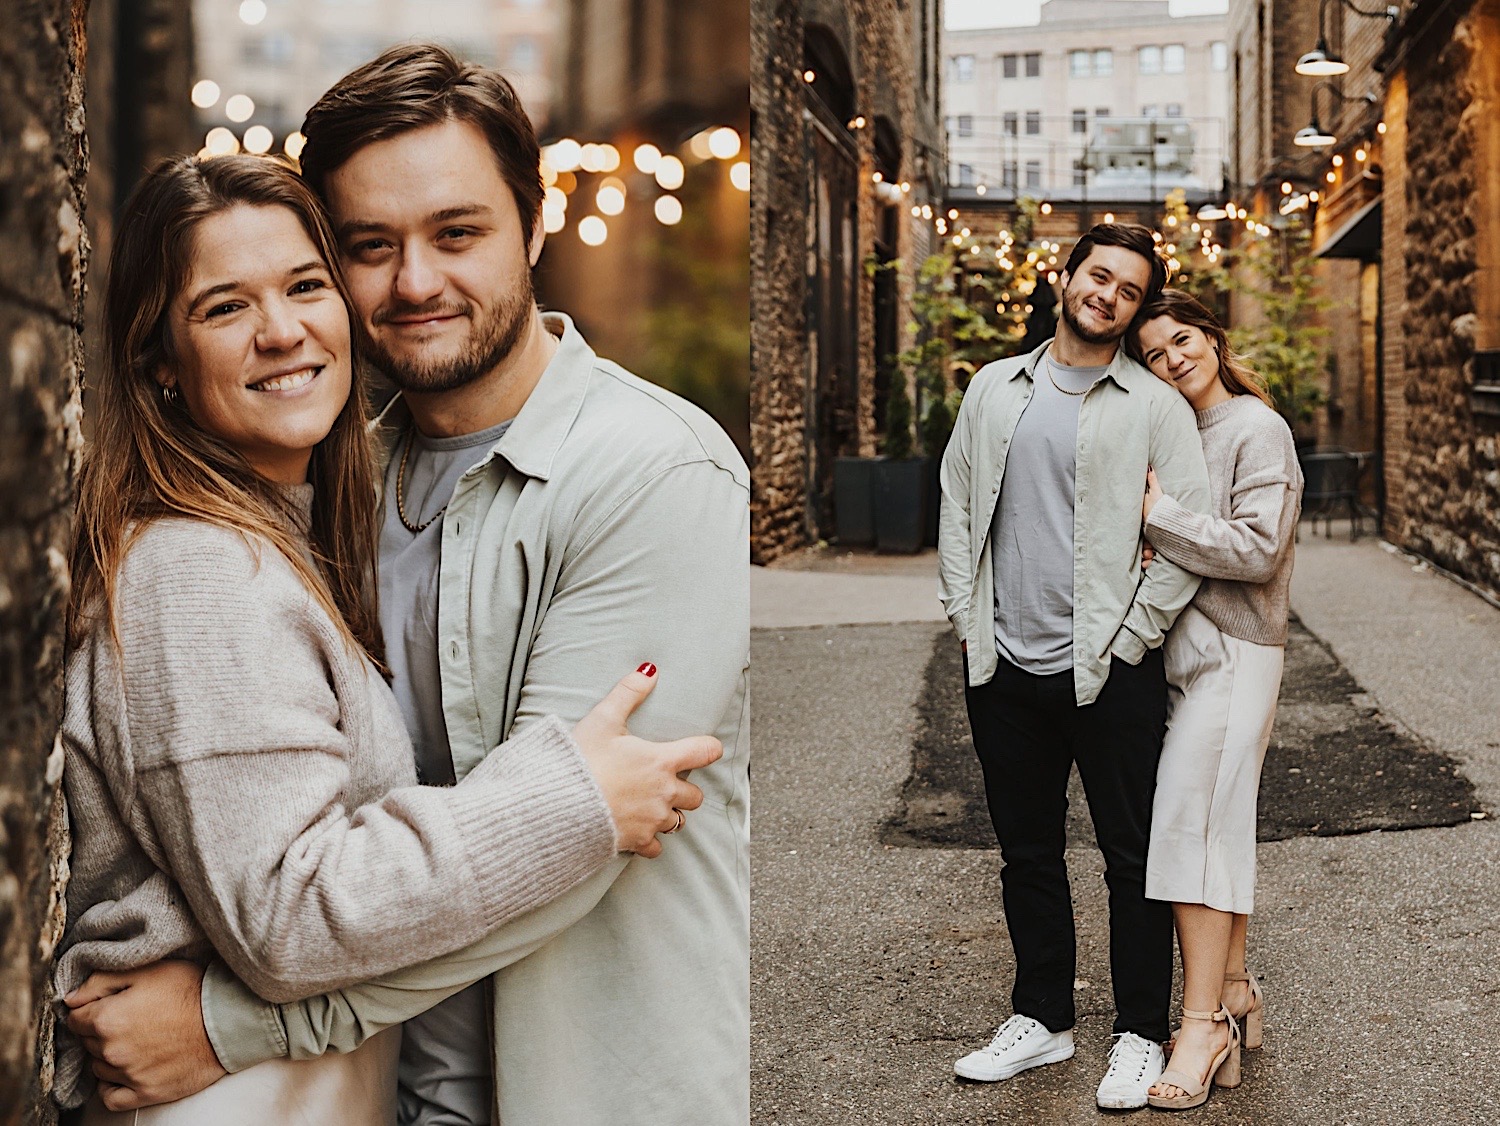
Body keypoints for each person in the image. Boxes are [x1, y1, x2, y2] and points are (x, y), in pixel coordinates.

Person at [63, 44, 751, 1126]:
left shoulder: (652, 472)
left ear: (534, 223)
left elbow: (572, 852)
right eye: (369, 248)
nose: (417, 282)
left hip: (586, 1091)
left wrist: (226, 1024)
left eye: (458, 232)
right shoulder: (326, 490)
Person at [938, 223, 1212, 1110]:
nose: (1110, 296)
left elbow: (1184, 537)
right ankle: (1042, 1019)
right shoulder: (992, 390)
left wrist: (1133, 639)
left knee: (1131, 859)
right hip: (1006, 664)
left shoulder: (1153, 407)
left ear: (1136, 310)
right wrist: (968, 625)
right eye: (1100, 276)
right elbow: (955, 502)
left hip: (1108, 669)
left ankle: (1139, 1032)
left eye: (1130, 290)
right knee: (1027, 852)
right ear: (1067, 277)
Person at [1125, 290, 1301, 1111]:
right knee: (1214, 826)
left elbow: (1261, 549)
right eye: (1155, 353)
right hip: (1180, 658)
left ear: (1213, 338)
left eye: (1183, 340)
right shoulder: (1172, 430)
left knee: (1186, 829)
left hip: (1236, 653)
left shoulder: (1256, 428)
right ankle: (1234, 993)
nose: (1173, 360)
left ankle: (1199, 1028)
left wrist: (1161, 518)